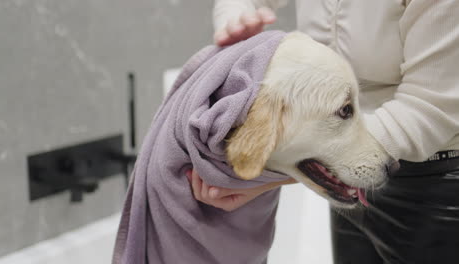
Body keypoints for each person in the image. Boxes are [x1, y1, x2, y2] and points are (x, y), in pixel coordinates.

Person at [188, 1, 459, 263]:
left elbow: (431, 104)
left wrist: (264, 177)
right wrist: (235, 26)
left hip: (434, 186)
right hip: (345, 165)